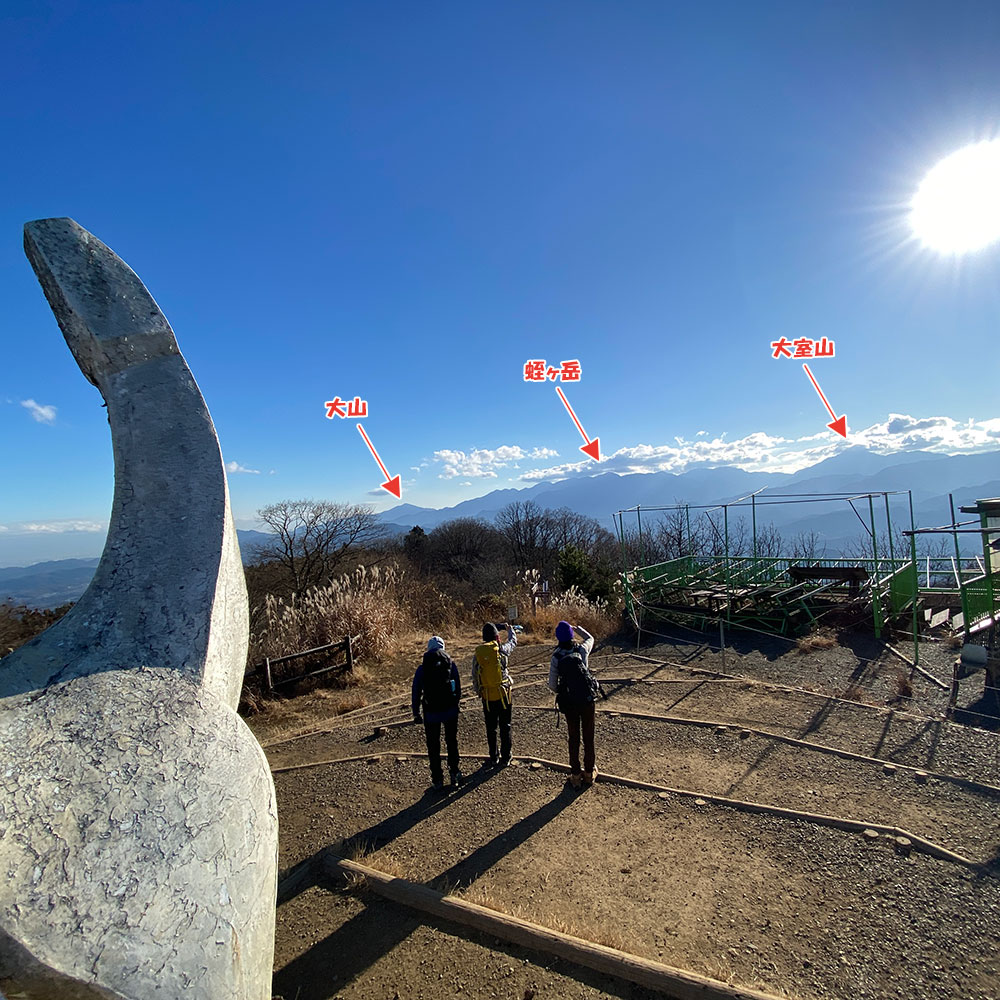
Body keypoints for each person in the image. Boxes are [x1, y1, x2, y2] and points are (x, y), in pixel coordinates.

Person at [548, 620, 599, 789]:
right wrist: (579, 630)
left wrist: (563, 691)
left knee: (574, 737)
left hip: (570, 702)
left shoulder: (556, 656)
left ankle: (576, 775)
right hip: (586, 699)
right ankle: (590, 773)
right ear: (571, 635)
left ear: (557, 637)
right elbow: (591, 638)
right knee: (589, 736)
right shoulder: (582, 649)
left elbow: (552, 685)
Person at [412, 636, 462, 789]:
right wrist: (455, 703)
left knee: (433, 746)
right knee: (451, 741)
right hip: (449, 710)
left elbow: (416, 692)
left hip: (431, 712)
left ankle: (437, 779)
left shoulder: (422, 668)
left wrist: (416, 713)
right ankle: (454, 773)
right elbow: (458, 687)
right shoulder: (450, 664)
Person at [472, 622, 517, 766]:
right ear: (496, 636)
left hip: (487, 696)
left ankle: (493, 756)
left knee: (491, 727)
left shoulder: (478, 654)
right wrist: (511, 631)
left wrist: (479, 691)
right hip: (504, 693)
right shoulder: (502, 650)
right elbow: (513, 642)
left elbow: (475, 675)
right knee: (506, 725)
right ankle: (506, 757)